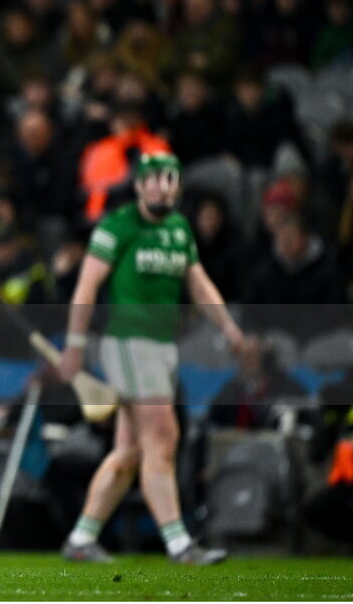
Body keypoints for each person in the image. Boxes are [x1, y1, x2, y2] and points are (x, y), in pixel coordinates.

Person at [59, 153, 246, 565]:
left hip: (163, 346)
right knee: (164, 435)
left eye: (170, 179)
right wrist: (74, 344)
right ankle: (180, 544)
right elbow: (87, 286)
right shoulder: (118, 225)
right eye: (155, 179)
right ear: (141, 185)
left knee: (129, 452)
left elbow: (198, 284)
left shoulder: (179, 229)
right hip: (128, 342)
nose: (162, 186)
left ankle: (81, 538)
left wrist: (229, 329)